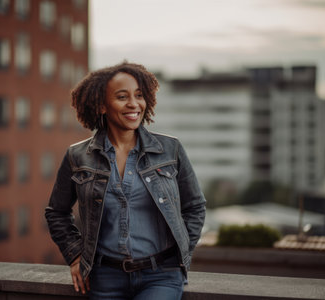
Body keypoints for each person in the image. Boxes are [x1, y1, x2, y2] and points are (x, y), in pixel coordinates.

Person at [45, 61, 206, 300]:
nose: (134, 104)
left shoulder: (169, 150)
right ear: (101, 105)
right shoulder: (77, 156)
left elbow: (194, 207)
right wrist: (76, 256)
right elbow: (56, 212)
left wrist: (183, 251)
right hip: (103, 277)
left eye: (139, 95)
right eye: (122, 97)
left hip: (161, 275)